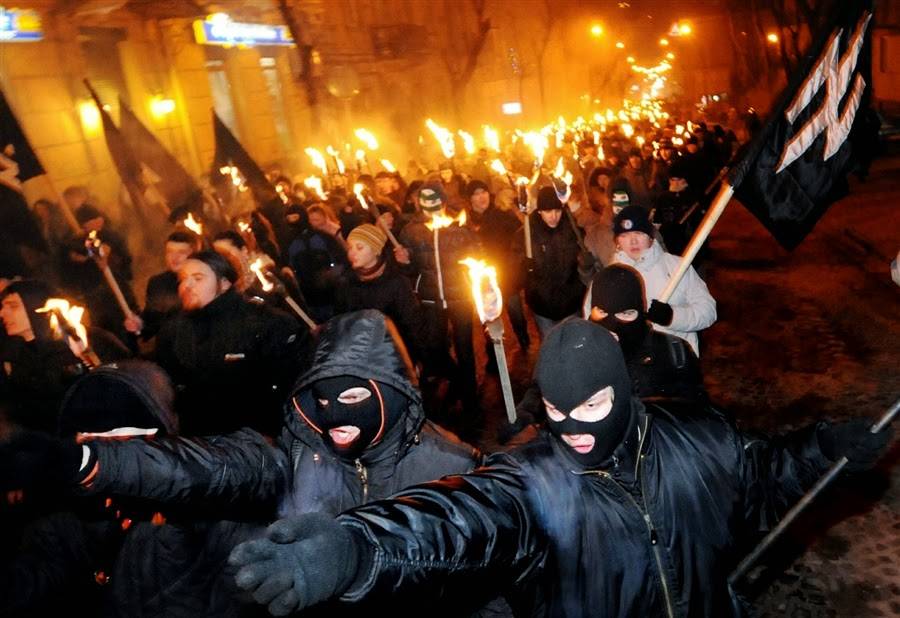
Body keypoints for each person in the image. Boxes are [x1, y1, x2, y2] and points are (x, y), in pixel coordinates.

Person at [227, 318, 893, 617]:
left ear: (623, 395)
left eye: (593, 407)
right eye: (555, 409)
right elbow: (455, 519)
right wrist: (357, 548)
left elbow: (764, 476)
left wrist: (826, 449)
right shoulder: (531, 479)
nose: (573, 427)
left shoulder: (699, 435)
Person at [154, 251, 308, 437]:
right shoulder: (173, 332)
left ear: (224, 283)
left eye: (198, 278)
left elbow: (287, 388)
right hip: (199, 442)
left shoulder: (264, 322)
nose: (187, 285)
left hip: (257, 440)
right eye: (182, 279)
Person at [395, 182, 480, 421]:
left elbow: (478, 255)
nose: (432, 212)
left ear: (443, 202)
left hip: (461, 295)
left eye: (436, 205)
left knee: (464, 348)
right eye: (426, 206)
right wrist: (404, 261)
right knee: (434, 347)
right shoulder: (411, 231)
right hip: (430, 297)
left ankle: (471, 400)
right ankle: (458, 380)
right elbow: (410, 270)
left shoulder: (459, 226)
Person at [1, 279, 130, 434]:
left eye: (13, 306)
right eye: (3, 307)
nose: (2, 313)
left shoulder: (87, 340)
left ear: (36, 306)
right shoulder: (17, 359)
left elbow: (131, 380)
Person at [585, 264, 704, 402]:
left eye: (625, 313)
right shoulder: (576, 354)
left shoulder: (671, 354)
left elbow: (695, 409)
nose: (612, 323)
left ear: (640, 312)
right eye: (602, 312)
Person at [611, 205, 716, 356]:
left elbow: (708, 311)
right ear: (617, 241)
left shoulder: (677, 267)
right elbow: (594, 320)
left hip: (676, 360)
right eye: (624, 235)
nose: (632, 241)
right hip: (630, 363)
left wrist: (673, 317)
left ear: (650, 236)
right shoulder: (609, 276)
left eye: (639, 233)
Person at [335, 224, 424, 360]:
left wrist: (412, 360)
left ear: (376, 250)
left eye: (359, 247)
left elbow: (412, 326)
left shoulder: (396, 282)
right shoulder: (346, 283)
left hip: (393, 357)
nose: (352, 253)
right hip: (360, 357)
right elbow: (341, 322)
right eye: (350, 247)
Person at [514, 186, 591, 338]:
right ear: (540, 211)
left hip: (571, 301)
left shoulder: (573, 229)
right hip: (543, 304)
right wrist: (523, 267)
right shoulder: (526, 233)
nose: (553, 216)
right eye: (548, 211)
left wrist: (585, 261)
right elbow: (515, 268)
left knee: (574, 342)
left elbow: (583, 258)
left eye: (557, 211)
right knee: (551, 344)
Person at [465, 179, 530, 352]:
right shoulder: (466, 222)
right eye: (476, 194)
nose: (481, 197)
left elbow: (521, 234)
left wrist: (514, 261)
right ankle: (494, 352)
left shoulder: (501, 214)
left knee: (515, 310)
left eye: (484, 192)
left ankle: (524, 343)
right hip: (482, 277)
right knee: (488, 317)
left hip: (506, 272)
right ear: (470, 199)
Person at [124, 230, 201, 341]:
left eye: (182, 252)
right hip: (165, 349)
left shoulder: (202, 284)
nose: (174, 257)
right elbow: (151, 321)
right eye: (170, 252)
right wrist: (139, 324)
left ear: (194, 255)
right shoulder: (157, 283)